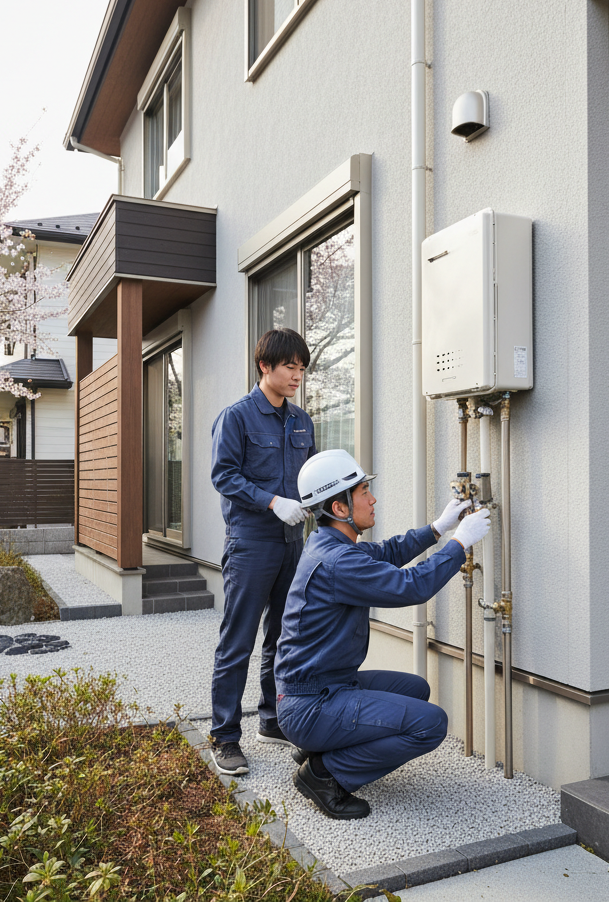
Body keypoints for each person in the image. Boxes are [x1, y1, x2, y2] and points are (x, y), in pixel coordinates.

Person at [274, 449, 491, 819]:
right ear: (340, 508)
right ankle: (325, 775)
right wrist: (459, 544)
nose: (372, 499)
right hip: (310, 704)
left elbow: (388, 552)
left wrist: (438, 528)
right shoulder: (338, 561)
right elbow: (411, 587)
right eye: (362, 493)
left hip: (322, 687)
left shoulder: (330, 544)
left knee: (415, 690)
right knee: (431, 723)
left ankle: (321, 748)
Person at [208, 327, 317, 776]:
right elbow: (224, 475)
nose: (297, 375)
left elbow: (311, 476)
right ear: (264, 367)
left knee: (283, 637)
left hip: (294, 543)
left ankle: (272, 720)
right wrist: (273, 501)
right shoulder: (236, 417)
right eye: (290, 366)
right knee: (239, 641)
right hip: (251, 543)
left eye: (302, 368)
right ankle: (225, 735)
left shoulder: (302, 421)